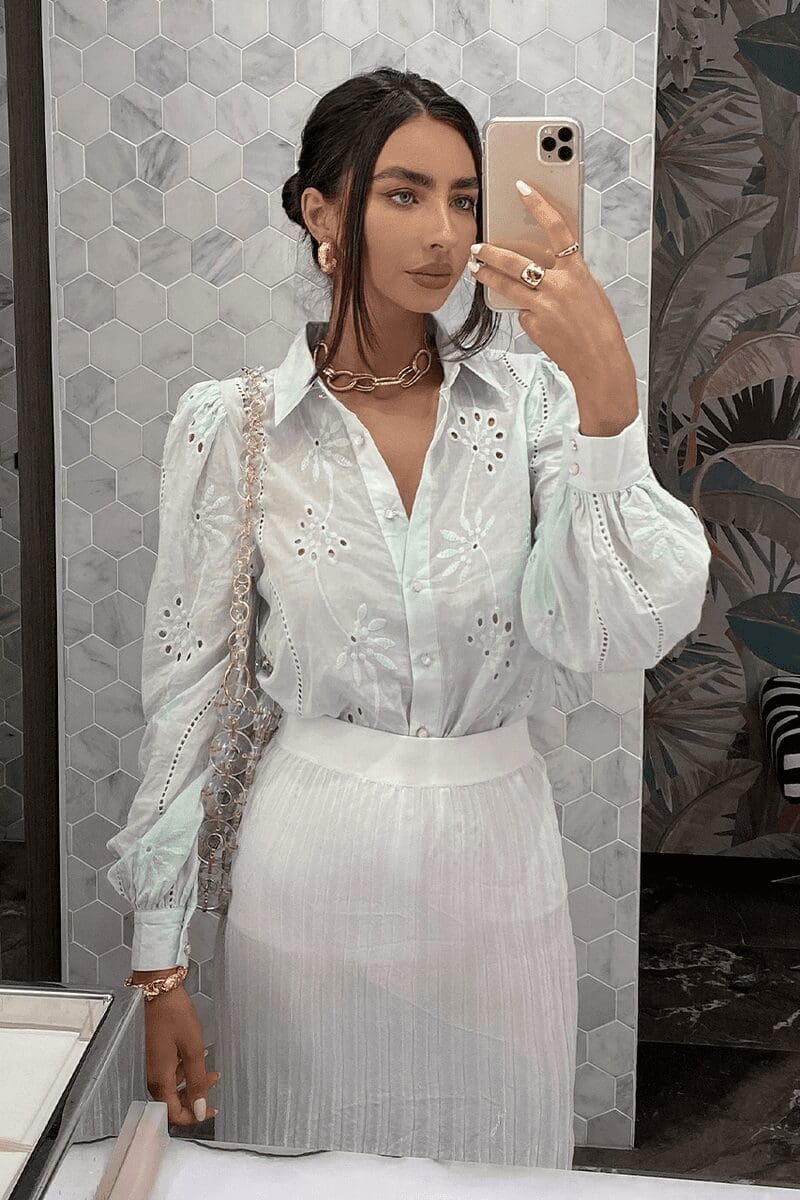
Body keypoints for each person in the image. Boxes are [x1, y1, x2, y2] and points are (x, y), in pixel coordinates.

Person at [105, 67, 712, 1168]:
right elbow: (187, 694)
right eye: (403, 193)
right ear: (321, 212)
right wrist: (160, 963)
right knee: (310, 1173)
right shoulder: (235, 426)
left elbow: (609, 631)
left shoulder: (533, 407)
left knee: (497, 1170)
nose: (443, 231)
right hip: (311, 873)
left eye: (465, 198)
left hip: (497, 872)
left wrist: (607, 400)